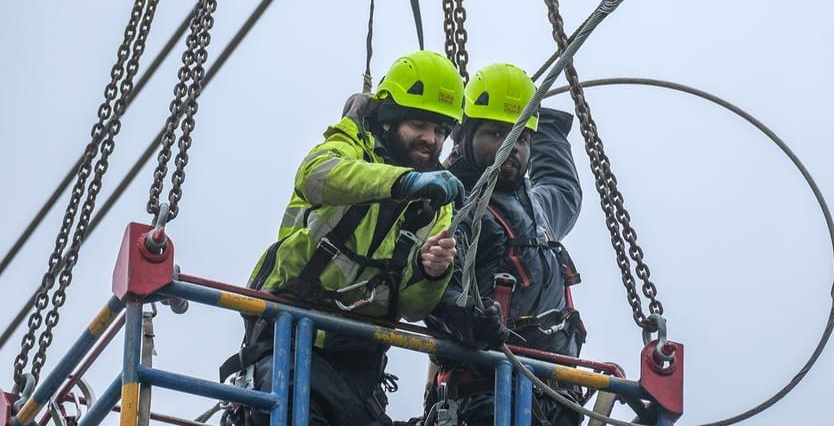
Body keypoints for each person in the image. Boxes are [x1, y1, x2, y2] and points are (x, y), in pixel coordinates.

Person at [236, 50, 467, 426]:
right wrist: (404, 183)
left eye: (441, 130)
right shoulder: (349, 146)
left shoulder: (436, 200)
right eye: (421, 125)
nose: (431, 139)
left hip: (360, 364)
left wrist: (432, 272)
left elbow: (411, 306)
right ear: (390, 121)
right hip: (290, 340)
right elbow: (315, 176)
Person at [425, 63, 586, 426]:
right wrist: (468, 321)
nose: (511, 146)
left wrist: (544, 123)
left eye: (522, 138)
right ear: (465, 136)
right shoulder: (454, 206)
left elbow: (564, 189)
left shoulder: (536, 207)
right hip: (485, 396)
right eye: (496, 134)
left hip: (554, 396)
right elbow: (430, 293)